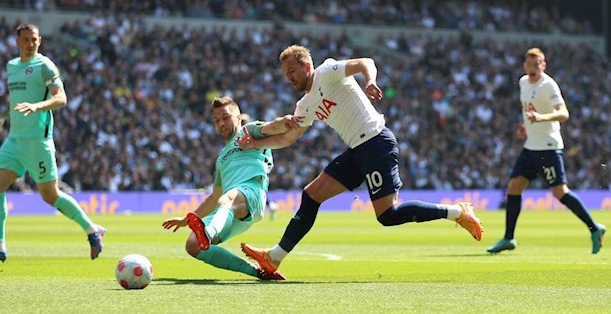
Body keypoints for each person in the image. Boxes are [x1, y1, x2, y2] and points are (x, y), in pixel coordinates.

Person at [237, 44, 483, 276]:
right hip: (357, 150)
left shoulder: (327, 71)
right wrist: (255, 144)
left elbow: (365, 61)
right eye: (284, 73)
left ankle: (457, 211)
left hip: (376, 142)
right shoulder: (304, 104)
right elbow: (288, 139)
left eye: (291, 70)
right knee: (311, 195)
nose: (288, 77)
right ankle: (275, 257)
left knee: (387, 215)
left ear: (307, 65)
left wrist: (371, 81)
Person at [0, 23, 105, 264]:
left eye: (34, 39)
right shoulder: (12, 66)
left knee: (51, 196)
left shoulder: (45, 66)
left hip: (37, 142)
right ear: (17, 42)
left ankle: (91, 230)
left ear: (39, 40)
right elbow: (15, 100)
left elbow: (61, 98)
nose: (30, 43)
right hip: (14, 140)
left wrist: (36, 106)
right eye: (25, 40)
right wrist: (2, 118)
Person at [161, 96, 300, 280]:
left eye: (225, 117)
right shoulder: (221, 159)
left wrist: (285, 122)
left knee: (227, 198)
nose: (221, 123)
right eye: (217, 120)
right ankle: (257, 272)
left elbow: (273, 127)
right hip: (229, 210)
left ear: (239, 117)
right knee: (193, 245)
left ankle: (207, 233)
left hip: (251, 192)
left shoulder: (248, 132)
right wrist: (187, 219)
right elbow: (214, 197)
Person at [487, 47, 605, 254]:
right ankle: (508, 238)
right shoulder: (523, 82)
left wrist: (541, 118)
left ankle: (595, 228)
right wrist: (526, 127)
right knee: (514, 187)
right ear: (524, 65)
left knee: (560, 193)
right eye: (529, 64)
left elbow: (563, 113)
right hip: (530, 147)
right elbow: (529, 111)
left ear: (543, 65)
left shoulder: (548, 85)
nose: (532, 68)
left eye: (536, 64)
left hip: (548, 148)